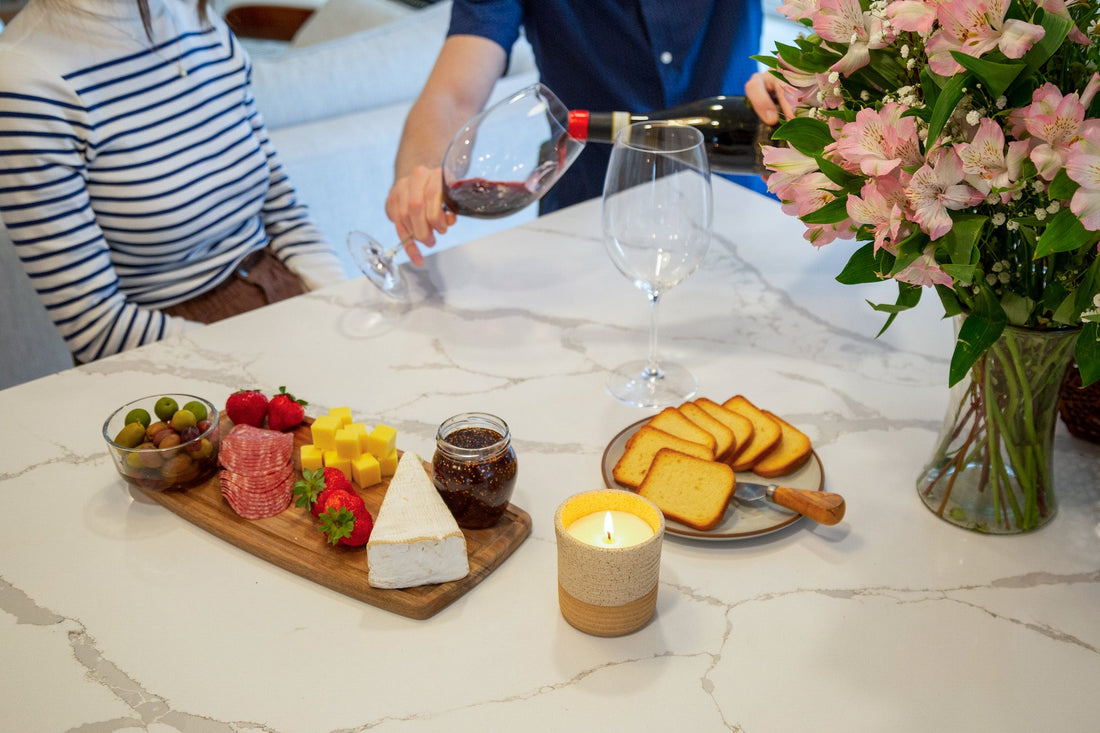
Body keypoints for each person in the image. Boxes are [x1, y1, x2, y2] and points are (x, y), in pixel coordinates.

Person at [0, 0, 347, 363]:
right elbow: (95, 328)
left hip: (281, 290)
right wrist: (265, 355)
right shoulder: (25, 79)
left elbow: (284, 210)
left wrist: (337, 299)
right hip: (175, 353)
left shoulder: (193, 14)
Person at [386, 0, 767, 267]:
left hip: (745, 213)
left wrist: (796, 78)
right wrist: (421, 174)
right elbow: (452, 98)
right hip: (587, 229)